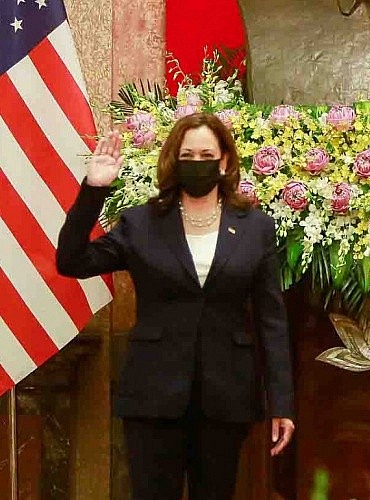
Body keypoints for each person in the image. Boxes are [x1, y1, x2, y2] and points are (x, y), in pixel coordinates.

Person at [56, 113, 295, 500]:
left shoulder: (255, 227)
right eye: (187, 154)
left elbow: (272, 320)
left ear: (225, 161)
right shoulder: (142, 223)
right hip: (153, 395)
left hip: (225, 397)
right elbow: (71, 261)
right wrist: (94, 190)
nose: (196, 162)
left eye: (206, 154)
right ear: (173, 159)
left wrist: (281, 402)